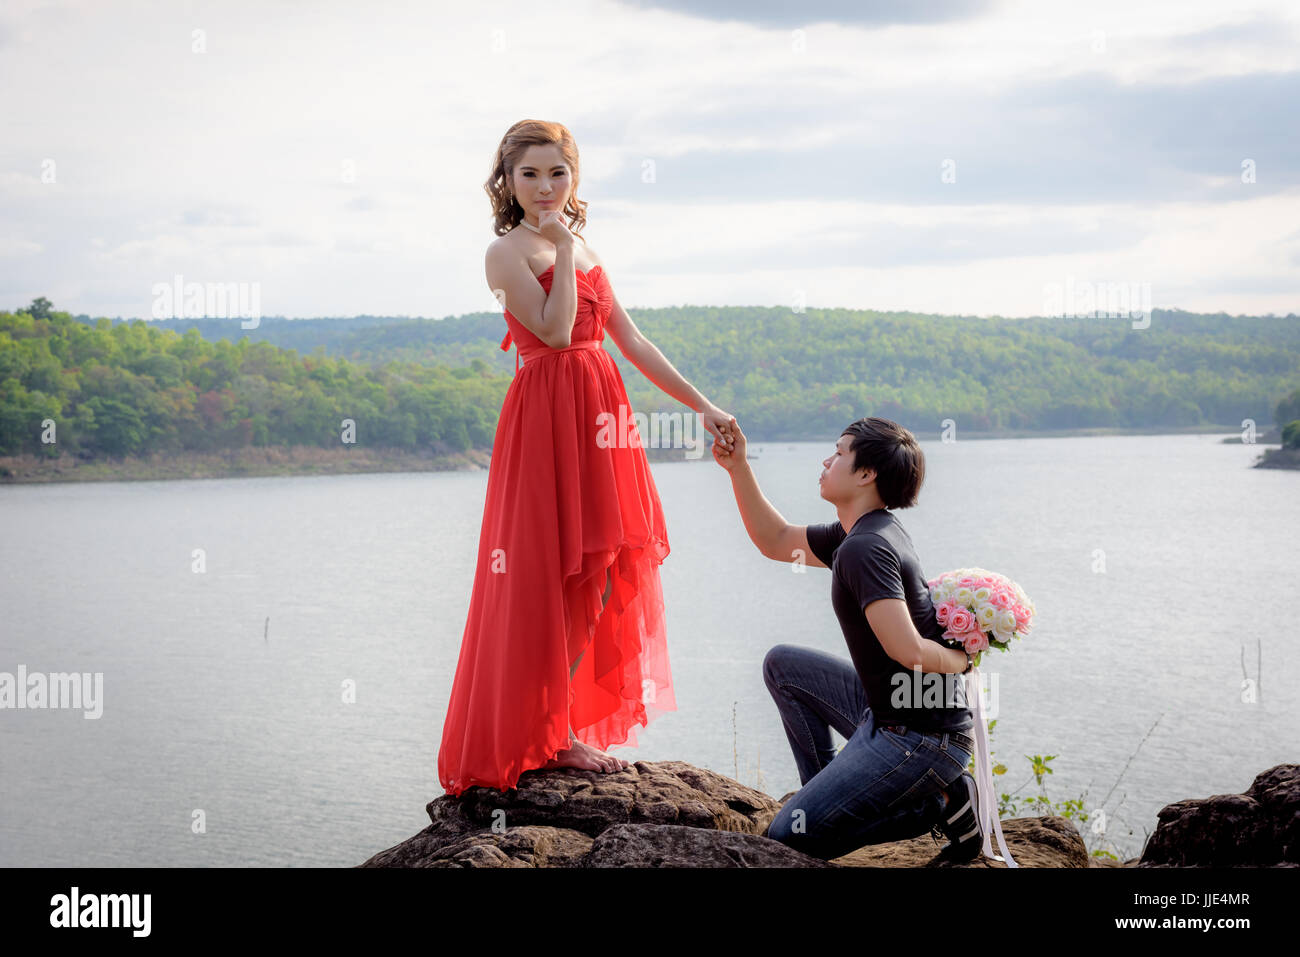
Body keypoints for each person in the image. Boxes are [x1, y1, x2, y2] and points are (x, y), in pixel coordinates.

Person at [437, 120, 737, 796]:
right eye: (530, 174)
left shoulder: (585, 244)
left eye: (558, 173)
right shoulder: (504, 251)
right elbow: (551, 327)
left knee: (600, 570)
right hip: (546, 416)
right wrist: (565, 251)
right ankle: (549, 736)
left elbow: (628, 337)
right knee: (545, 572)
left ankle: (561, 723)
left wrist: (704, 405)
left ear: (574, 178)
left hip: (602, 414)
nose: (545, 187)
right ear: (507, 183)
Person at [711, 415, 986, 862]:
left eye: (838, 452)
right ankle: (824, 799)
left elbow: (909, 651)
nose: (826, 460)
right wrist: (738, 466)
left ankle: (944, 804)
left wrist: (963, 659)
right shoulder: (862, 532)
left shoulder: (865, 548)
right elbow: (776, 540)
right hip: (890, 712)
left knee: (787, 838)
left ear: (866, 473)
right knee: (783, 666)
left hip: (921, 738)